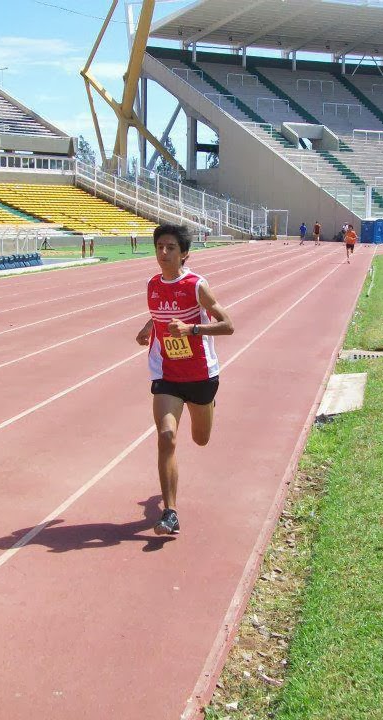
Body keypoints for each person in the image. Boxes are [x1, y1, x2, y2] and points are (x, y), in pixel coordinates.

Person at [135, 224, 235, 536]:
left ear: (184, 254)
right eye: (160, 247)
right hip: (167, 374)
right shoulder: (152, 285)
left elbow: (228, 325)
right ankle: (170, 512)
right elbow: (160, 313)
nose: (163, 253)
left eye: (170, 248)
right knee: (167, 437)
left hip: (201, 374)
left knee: (200, 439)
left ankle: (208, 404)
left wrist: (192, 330)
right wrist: (149, 328)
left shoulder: (196, 285)